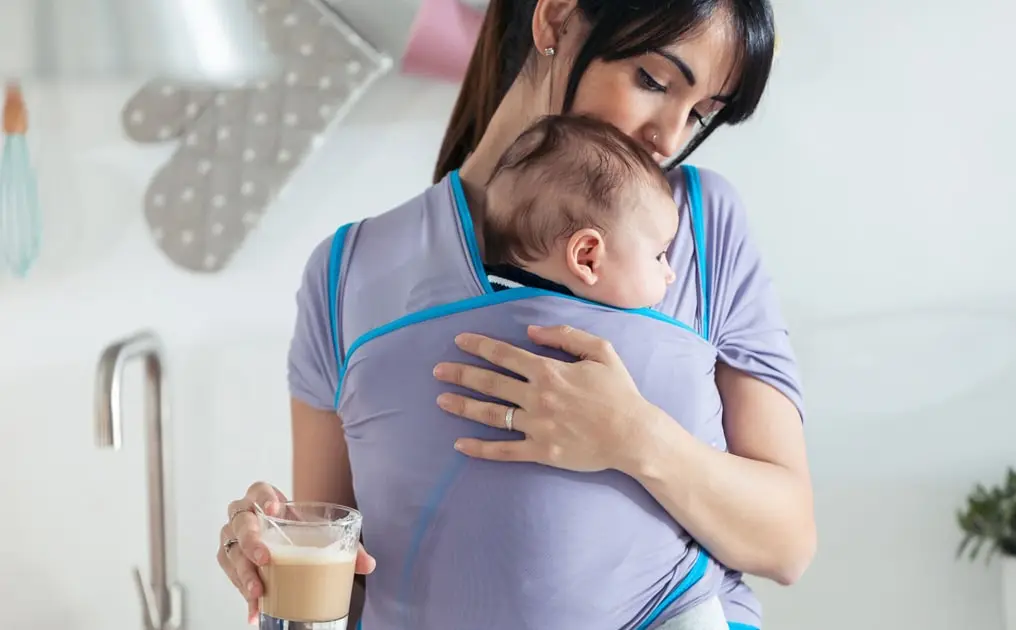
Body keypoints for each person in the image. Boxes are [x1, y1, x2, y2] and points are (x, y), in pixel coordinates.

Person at [216, 1, 817, 629]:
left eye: (699, 113)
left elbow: (788, 544)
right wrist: (269, 550)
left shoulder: (696, 227)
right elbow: (340, 572)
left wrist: (635, 437)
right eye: (653, 80)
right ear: (555, 20)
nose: (669, 138)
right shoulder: (347, 271)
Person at [480, 113, 680, 308]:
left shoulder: (479, 303)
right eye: (658, 256)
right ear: (587, 258)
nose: (671, 275)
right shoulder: (593, 326)